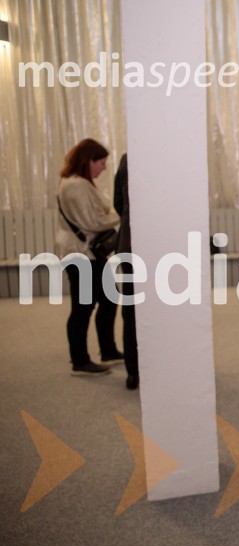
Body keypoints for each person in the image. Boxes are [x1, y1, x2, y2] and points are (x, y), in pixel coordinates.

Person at [55, 138, 121, 376]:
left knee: (109, 297)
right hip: (80, 254)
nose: (103, 167)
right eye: (101, 162)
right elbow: (94, 221)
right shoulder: (76, 186)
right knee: (83, 307)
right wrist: (117, 214)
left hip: (90, 253)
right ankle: (80, 361)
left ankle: (109, 350)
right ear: (88, 160)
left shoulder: (81, 182)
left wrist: (110, 212)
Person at [113, 153, 139, 390]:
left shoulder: (127, 159)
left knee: (131, 309)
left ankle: (134, 371)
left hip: (129, 244)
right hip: (162, 248)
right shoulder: (169, 154)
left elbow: (118, 204)